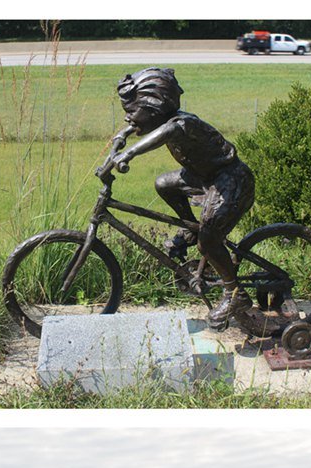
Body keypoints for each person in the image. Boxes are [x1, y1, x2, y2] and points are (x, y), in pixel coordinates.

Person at [98, 67, 256, 330]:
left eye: (132, 112)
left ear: (154, 110)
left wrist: (129, 154)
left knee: (209, 241)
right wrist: (121, 136)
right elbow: (137, 129)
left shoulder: (182, 124)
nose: (128, 117)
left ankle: (235, 293)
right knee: (164, 184)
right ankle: (189, 228)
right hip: (202, 177)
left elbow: (163, 134)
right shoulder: (160, 119)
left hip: (230, 180)